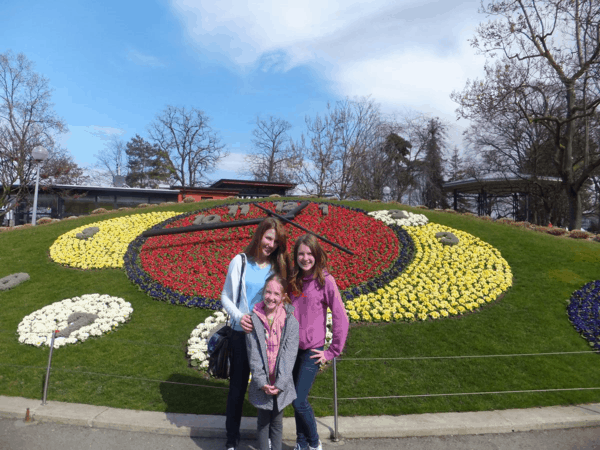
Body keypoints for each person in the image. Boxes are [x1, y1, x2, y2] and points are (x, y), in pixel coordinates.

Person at [221, 217, 290, 450]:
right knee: (237, 389)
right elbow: (225, 296)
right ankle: (232, 439)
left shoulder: (276, 267)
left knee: (268, 388)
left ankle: (268, 436)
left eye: (276, 241)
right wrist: (240, 317)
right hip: (242, 334)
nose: (271, 244)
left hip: (268, 338)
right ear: (259, 235)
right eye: (268, 238)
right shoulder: (240, 261)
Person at [289, 234, 349, 450]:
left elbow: (341, 317)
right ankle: (301, 443)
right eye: (301, 254)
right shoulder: (293, 280)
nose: (305, 258)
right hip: (291, 350)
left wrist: (331, 351)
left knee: (299, 400)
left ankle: (314, 442)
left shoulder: (326, 281)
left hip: (311, 351)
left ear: (317, 255)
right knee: (294, 398)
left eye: (309, 253)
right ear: (295, 256)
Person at [246, 274, 299, 450]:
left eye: (276, 294)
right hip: (263, 381)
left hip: (280, 381)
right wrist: (261, 382)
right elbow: (253, 354)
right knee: (263, 423)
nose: (271, 297)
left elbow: (289, 355)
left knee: (276, 422)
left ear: (283, 296)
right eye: (268, 292)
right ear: (263, 293)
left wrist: (281, 382)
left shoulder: (290, 320)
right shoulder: (254, 319)